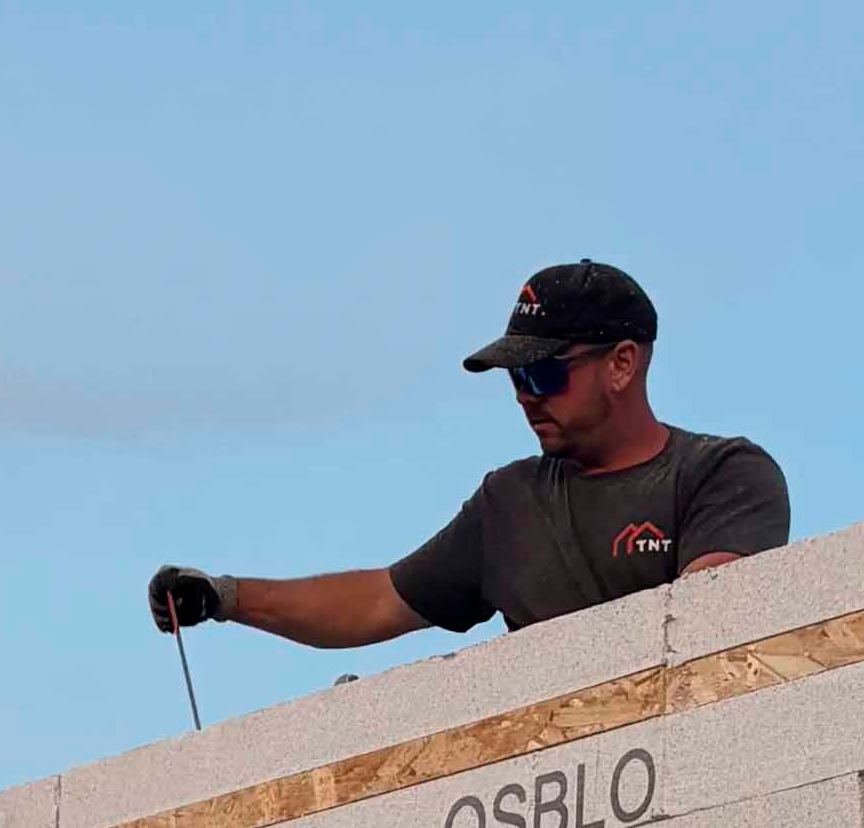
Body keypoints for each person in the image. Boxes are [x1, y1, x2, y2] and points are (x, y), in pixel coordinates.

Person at [149, 260, 790, 648]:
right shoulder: (508, 504)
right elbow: (377, 601)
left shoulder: (722, 475)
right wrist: (228, 597)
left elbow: (707, 629)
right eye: (513, 379)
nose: (523, 397)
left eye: (542, 374)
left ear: (622, 364)